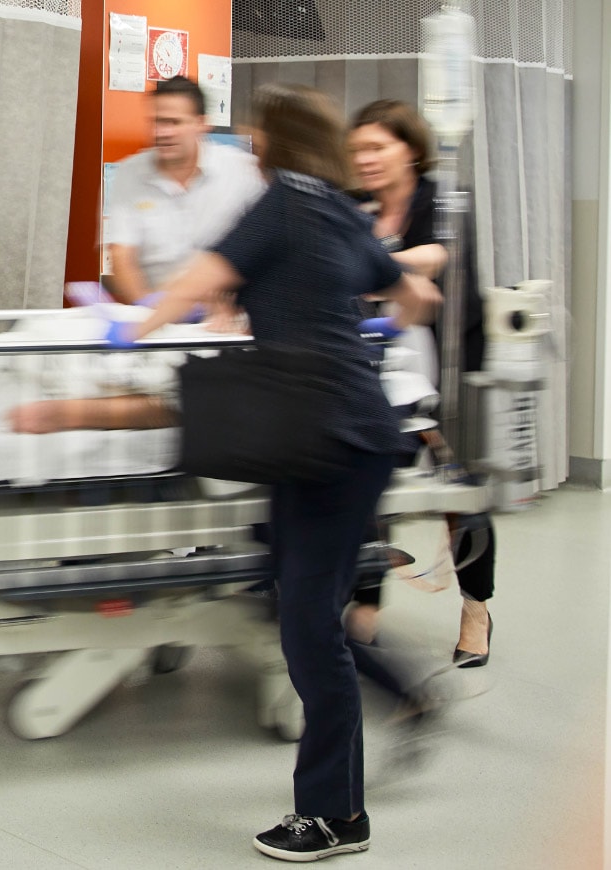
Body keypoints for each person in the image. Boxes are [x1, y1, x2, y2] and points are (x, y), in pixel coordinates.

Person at [113, 83, 439, 862]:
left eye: (256, 136)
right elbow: (414, 294)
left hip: (331, 439)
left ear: (273, 144)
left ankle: (332, 816)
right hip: (334, 436)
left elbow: (200, 279)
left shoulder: (284, 200)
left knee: (307, 626)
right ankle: (370, 756)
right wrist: (346, 327)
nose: (250, 146)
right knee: (292, 605)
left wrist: (131, 335)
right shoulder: (329, 204)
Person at [346, 100, 495, 668]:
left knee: (460, 496)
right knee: (365, 479)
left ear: (409, 148)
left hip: (449, 360)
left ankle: (475, 608)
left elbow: (436, 256)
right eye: (357, 149)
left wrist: (370, 266)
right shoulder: (353, 204)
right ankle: (365, 603)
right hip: (374, 358)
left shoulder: (442, 199)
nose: (365, 159)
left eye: (377, 147)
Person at [103, 76, 266, 307]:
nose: (162, 132)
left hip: (225, 321)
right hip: (155, 315)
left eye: (174, 122)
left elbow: (269, 251)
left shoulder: (243, 172)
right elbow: (121, 255)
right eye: (157, 122)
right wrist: (151, 312)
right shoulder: (129, 173)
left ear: (202, 123)